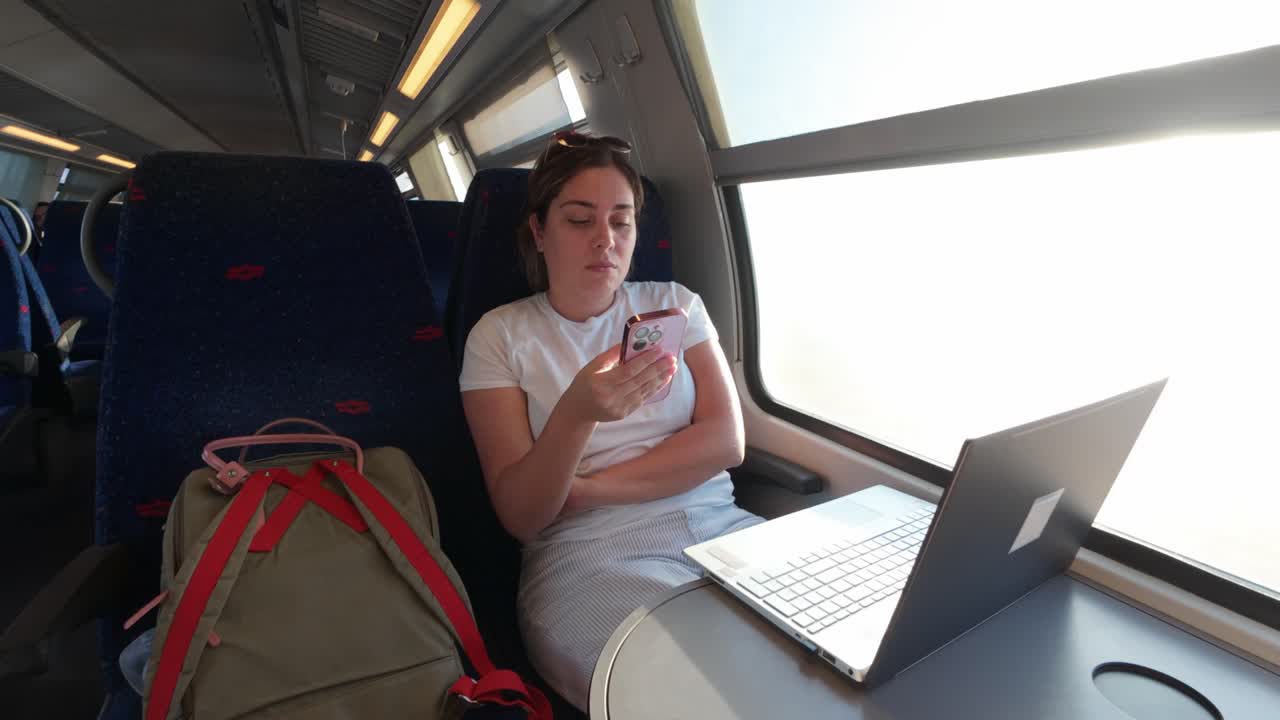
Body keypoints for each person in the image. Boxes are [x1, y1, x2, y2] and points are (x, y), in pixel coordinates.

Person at [460, 132, 762, 710]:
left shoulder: (676, 304)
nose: (605, 240)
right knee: (690, 697)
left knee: (825, 644)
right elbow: (524, 514)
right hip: (586, 556)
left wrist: (585, 488)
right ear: (540, 232)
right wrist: (577, 413)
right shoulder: (500, 335)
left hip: (717, 525)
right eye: (579, 220)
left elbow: (726, 442)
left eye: (621, 222)